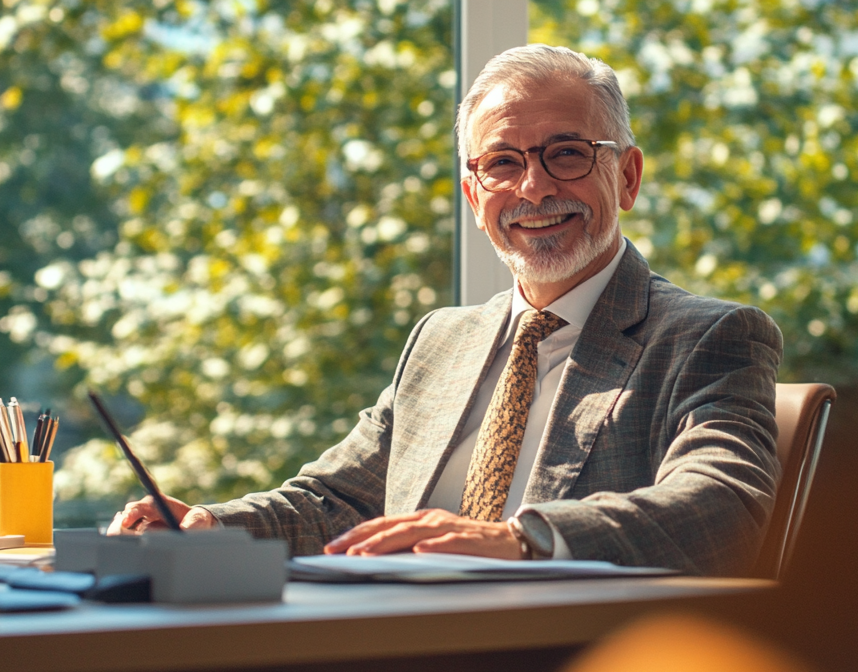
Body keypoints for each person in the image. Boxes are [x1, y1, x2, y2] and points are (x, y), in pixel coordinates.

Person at [109, 44, 782, 576]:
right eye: (502, 163)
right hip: (391, 634)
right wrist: (209, 526)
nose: (534, 187)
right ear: (472, 194)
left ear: (627, 176)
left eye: (568, 155)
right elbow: (334, 502)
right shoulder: (443, 338)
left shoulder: (711, 336)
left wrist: (518, 541)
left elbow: (723, 508)